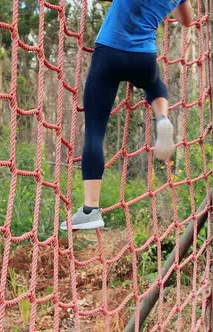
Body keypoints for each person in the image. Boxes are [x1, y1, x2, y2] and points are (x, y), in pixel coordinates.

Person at [61, 0, 195, 231]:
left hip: (109, 54)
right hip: (143, 58)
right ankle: (161, 117)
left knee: (95, 130)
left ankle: (90, 209)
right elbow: (186, 21)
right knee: (154, 84)